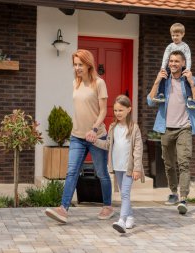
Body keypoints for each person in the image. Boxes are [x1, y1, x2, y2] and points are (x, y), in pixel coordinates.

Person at [45, 49, 114, 223]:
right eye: (75, 65)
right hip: (77, 136)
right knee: (72, 172)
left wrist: (94, 128)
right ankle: (63, 209)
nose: (77, 68)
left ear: (88, 64)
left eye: (80, 64)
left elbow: (104, 110)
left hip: (96, 136)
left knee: (101, 173)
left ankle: (107, 206)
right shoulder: (75, 83)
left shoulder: (99, 83)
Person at [147, 50, 195, 215]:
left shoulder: (189, 81)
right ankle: (173, 192)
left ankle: (183, 198)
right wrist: (157, 81)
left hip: (184, 128)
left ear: (183, 64)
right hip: (166, 128)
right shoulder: (163, 82)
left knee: (184, 162)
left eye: (176, 61)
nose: (173, 64)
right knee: (169, 163)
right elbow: (150, 101)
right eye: (171, 61)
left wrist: (192, 83)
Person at [92, 95, 145, 233]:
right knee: (123, 193)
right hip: (117, 166)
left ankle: (121, 221)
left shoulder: (134, 128)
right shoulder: (113, 127)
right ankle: (130, 217)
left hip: (129, 168)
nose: (117, 113)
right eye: (115, 110)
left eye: (120, 110)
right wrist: (95, 141)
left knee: (125, 193)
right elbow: (108, 145)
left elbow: (138, 150)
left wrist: (137, 168)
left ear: (129, 110)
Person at [153, 23, 195, 109]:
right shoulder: (170, 46)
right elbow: (165, 57)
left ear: (182, 34)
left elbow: (188, 57)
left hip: (182, 67)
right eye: (173, 35)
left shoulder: (185, 46)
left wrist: (188, 68)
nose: (175, 37)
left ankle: (189, 98)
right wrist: (163, 67)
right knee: (163, 75)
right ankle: (161, 94)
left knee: (187, 80)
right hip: (171, 67)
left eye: (177, 35)